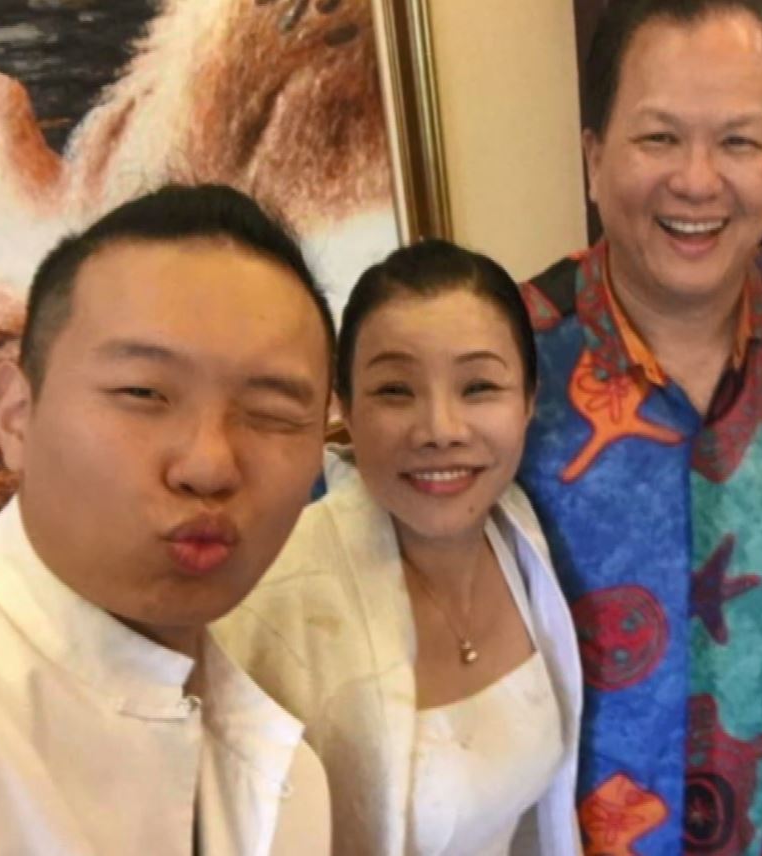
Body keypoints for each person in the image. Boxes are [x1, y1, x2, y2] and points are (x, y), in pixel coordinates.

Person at [516, 1, 762, 852]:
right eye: (659, 138)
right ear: (594, 157)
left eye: (739, 142)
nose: (698, 181)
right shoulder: (506, 356)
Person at [0, 184, 335, 855]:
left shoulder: (290, 772)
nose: (209, 465)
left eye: (272, 413)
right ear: (15, 414)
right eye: (142, 393)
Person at [215, 240, 582, 856]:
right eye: (394, 391)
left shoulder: (524, 538)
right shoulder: (268, 603)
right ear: (344, 406)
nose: (440, 430)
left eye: (478, 386)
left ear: (528, 400)